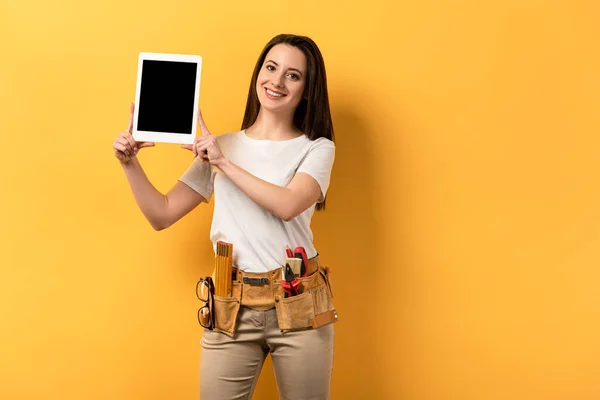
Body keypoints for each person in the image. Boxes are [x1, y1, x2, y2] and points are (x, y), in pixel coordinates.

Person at [113, 33, 337, 400]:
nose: (277, 81)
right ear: (257, 74)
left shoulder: (316, 148)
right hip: (230, 306)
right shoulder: (222, 146)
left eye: (293, 75)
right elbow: (161, 214)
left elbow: (288, 204)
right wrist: (129, 163)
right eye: (271, 67)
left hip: (299, 302)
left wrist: (223, 163)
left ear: (307, 89)